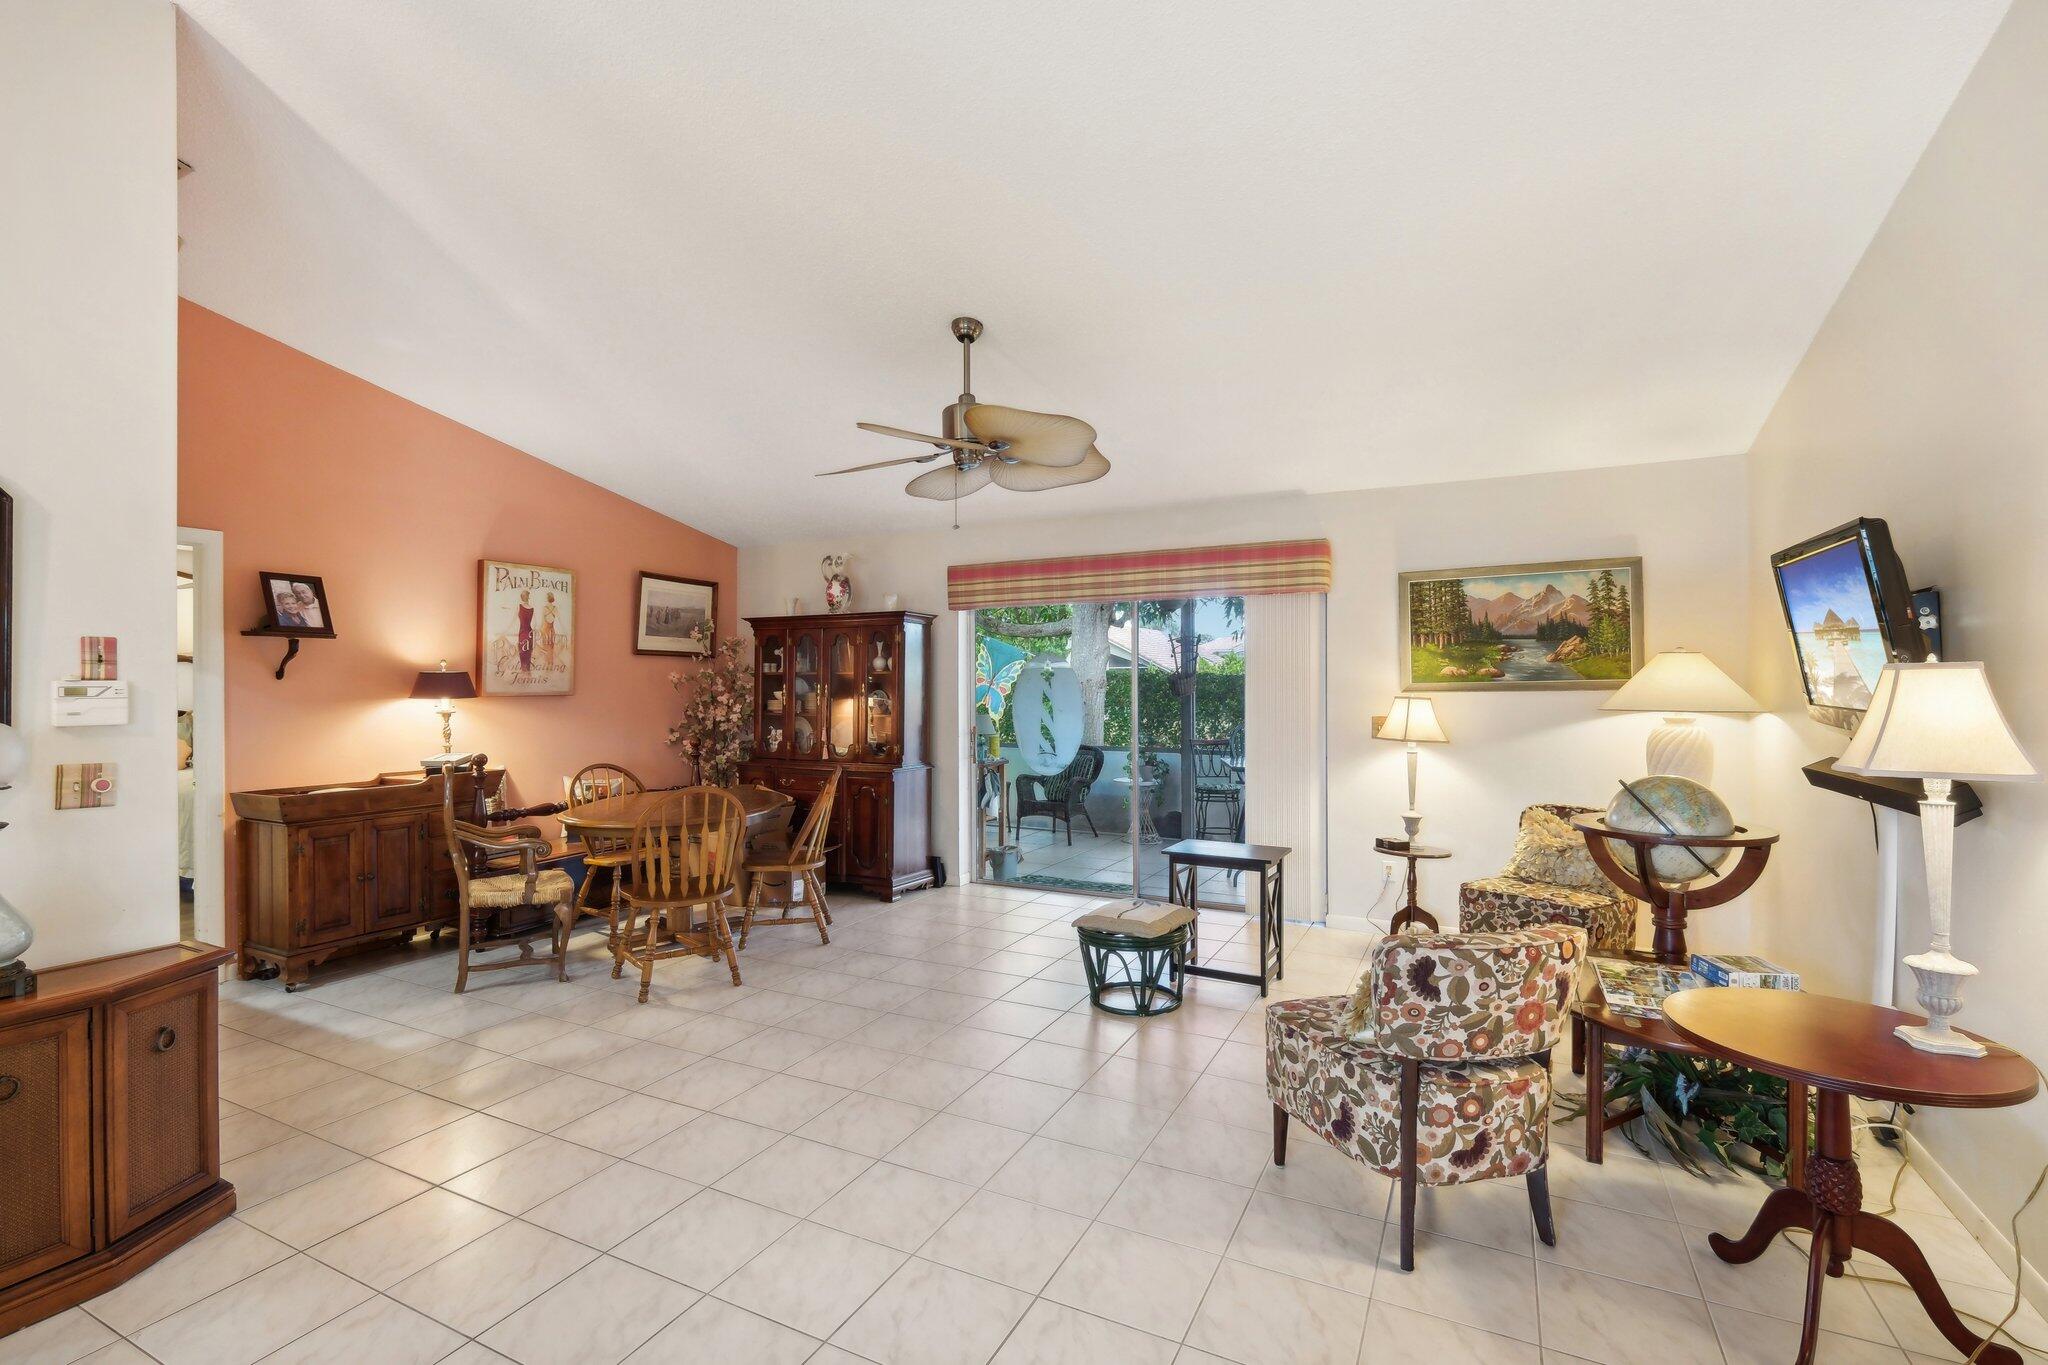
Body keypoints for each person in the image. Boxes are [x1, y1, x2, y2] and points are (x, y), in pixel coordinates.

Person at [516, 589, 535, 674]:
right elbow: (536, 623)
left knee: (522, 650)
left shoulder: (519, 607)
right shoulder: (532, 608)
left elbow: (513, 620)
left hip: (522, 632)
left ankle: (523, 670)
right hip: (530, 632)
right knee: (528, 650)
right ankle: (528, 670)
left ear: (522, 597)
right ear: (528, 597)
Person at [540, 592, 558, 673]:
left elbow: (542, 621)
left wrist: (540, 628)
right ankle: (551, 663)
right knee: (551, 646)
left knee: (545, 646)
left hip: (545, 629)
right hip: (552, 629)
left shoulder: (544, 608)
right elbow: (556, 619)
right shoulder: (555, 608)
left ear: (547, 598)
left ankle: (547, 664)